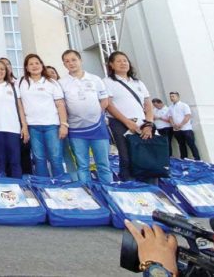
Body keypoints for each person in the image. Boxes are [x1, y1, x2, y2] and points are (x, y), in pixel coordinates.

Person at [59, 49, 113, 184]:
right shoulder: (61, 83)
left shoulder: (95, 79)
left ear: (80, 60)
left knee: (103, 165)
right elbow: (61, 105)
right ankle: (88, 193)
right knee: (82, 166)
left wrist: (95, 114)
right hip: (76, 130)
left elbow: (104, 100)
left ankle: (109, 191)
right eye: (67, 61)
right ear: (64, 64)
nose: (71, 63)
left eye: (73, 60)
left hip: (97, 127)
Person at [103, 51, 154, 182]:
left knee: (146, 155)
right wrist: (127, 122)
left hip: (142, 124)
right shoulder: (107, 82)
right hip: (120, 123)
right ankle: (129, 185)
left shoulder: (138, 83)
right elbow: (109, 105)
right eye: (119, 61)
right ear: (111, 65)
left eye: (125, 60)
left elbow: (148, 105)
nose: (123, 63)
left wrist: (148, 124)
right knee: (126, 157)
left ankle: (149, 186)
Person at [18, 53, 67, 177]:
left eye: (37, 63)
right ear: (26, 67)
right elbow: (20, 106)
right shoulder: (21, 82)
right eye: (31, 64)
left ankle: (60, 187)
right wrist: (24, 126)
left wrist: (64, 125)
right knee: (39, 159)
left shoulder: (51, 82)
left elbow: (60, 104)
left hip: (52, 126)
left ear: (41, 65)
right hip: (33, 126)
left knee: (55, 158)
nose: (34, 66)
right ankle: (43, 187)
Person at [0, 59, 24, 177]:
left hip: (13, 128)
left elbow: (20, 107)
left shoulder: (13, 86)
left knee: (15, 160)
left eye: (2, 69)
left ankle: (18, 185)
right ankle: (1, 187)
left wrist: (24, 126)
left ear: (6, 71)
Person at [169, 91, 201, 160]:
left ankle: (197, 158)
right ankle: (184, 158)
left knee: (191, 144)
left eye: (173, 96)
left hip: (186, 129)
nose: (171, 98)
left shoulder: (184, 105)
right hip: (176, 129)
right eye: (170, 96)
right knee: (181, 144)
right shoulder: (170, 107)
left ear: (178, 97)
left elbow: (187, 116)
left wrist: (181, 124)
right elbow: (170, 117)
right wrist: (173, 124)